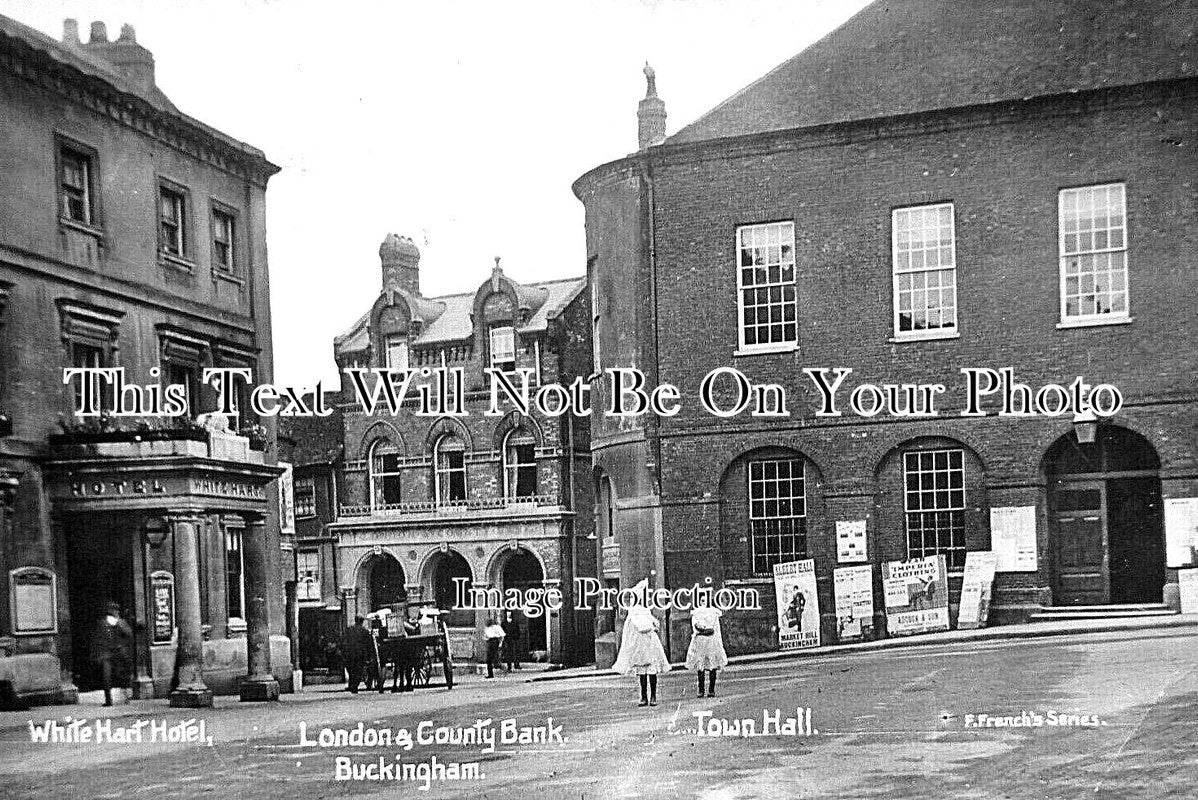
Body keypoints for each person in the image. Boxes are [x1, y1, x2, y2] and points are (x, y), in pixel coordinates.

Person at [612, 581, 670, 707]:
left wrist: (654, 624)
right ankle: (644, 696)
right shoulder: (634, 612)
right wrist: (651, 626)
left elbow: (653, 622)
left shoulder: (645, 610)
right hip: (640, 644)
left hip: (649, 643)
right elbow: (641, 626)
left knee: (651, 670)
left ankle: (653, 695)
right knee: (642, 671)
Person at [91, 601, 132, 707]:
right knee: (107, 677)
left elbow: (128, 634)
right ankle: (109, 700)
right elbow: (97, 639)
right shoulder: (102, 623)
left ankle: (126, 697)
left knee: (121, 676)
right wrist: (97, 654)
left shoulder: (121, 622)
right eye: (112, 610)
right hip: (106, 654)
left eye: (115, 610)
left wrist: (119, 623)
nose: (113, 612)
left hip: (119, 653)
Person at [685, 605, 728, 698]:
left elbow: (715, 630)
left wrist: (706, 632)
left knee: (712, 665)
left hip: (711, 641)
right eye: (702, 601)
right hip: (700, 642)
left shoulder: (714, 613)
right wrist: (704, 631)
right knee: (700, 666)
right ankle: (701, 690)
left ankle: (711, 690)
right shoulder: (696, 613)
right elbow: (696, 628)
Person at [340, 617, 375, 694]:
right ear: (362, 622)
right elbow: (369, 644)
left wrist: (344, 652)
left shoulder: (349, 630)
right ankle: (354, 685)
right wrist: (369, 655)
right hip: (360, 654)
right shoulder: (365, 631)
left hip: (350, 653)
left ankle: (353, 684)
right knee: (358, 670)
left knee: (351, 669)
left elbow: (343, 641)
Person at [483, 614, 505, 679]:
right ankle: (493, 672)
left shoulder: (488, 628)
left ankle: (491, 674)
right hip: (496, 641)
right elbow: (502, 635)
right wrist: (500, 643)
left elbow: (485, 637)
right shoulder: (497, 627)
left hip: (492, 642)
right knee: (494, 657)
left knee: (490, 659)